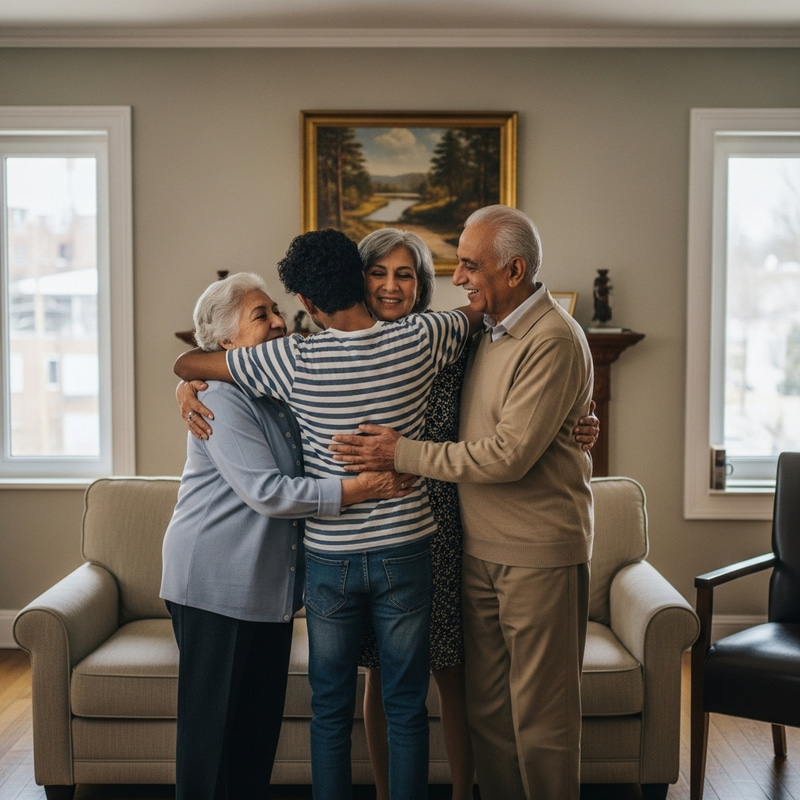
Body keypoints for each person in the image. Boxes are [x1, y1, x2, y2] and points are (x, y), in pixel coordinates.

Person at [178, 228, 600, 800]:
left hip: (333, 558)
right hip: (409, 547)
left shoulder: (288, 358)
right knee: (406, 702)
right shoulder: (427, 336)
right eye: (380, 274)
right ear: (360, 279)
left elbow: (190, 358)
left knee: (330, 708)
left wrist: (189, 378)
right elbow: (480, 316)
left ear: (304, 303)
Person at [330, 205, 594, 800]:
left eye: (471, 265)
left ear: (516, 269)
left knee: (543, 720)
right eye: (458, 266)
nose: (462, 279)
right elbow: (258, 362)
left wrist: (401, 453)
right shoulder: (483, 332)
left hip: (532, 550)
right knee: (489, 712)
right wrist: (188, 382)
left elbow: (508, 453)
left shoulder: (545, 337)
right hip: (474, 546)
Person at [160, 272, 411, 800]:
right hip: (214, 585)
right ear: (226, 345)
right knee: (212, 745)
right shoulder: (223, 397)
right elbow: (269, 492)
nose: (279, 321)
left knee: (255, 737)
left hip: (265, 595)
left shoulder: (275, 387)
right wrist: (360, 488)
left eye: (276, 309)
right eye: (261, 315)